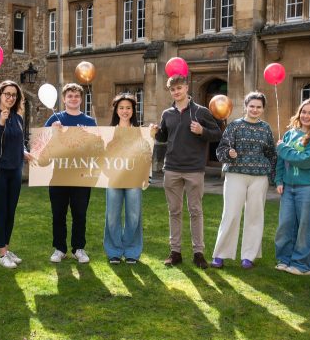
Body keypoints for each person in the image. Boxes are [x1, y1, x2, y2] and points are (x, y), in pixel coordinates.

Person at [153, 74, 222, 269]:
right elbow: (163, 136)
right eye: (173, 89)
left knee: (195, 211)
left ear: (186, 87)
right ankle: (175, 252)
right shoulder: (167, 114)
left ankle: (198, 253)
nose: (176, 92)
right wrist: (155, 131)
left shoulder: (201, 112)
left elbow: (217, 133)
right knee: (174, 211)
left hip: (194, 169)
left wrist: (202, 131)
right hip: (172, 168)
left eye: (179, 88)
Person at [211, 92, 277, 269]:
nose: (255, 109)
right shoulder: (234, 126)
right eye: (252, 106)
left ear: (263, 109)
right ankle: (220, 254)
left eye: (259, 107)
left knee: (255, 216)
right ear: (246, 107)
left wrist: (272, 176)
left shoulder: (266, 128)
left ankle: (249, 255)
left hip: (259, 177)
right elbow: (220, 150)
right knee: (231, 214)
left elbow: (271, 154)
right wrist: (228, 154)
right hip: (235, 174)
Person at [274, 98, 310, 276]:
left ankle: (303, 265)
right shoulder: (291, 134)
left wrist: (283, 149)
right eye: (303, 112)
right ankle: (285, 259)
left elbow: (305, 160)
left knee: (306, 226)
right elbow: (281, 162)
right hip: (289, 187)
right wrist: (279, 180)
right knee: (285, 225)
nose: (305, 116)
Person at [44, 83, 97, 264]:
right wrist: (53, 132)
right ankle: (59, 248)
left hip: (81, 176)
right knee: (58, 214)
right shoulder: (54, 119)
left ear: (81, 99)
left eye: (76, 96)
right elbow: (42, 145)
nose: (73, 99)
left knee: (79, 214)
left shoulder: (90, 122)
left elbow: (96, 149)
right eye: (70, 96)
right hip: (59, 175)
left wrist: (90, 137)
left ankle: (78, 248)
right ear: (64, 99)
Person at [0, 80, 30, 269]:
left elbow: (18, 142)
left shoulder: (18, 118)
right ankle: (2, 254)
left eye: (14, 95)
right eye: (7, 94)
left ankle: (7, 248)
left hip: (15, 169)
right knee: (1, 212)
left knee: (11, 212)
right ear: (0, 95)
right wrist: (1, 123)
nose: (11, 98)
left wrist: (24, 152)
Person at [103, 93, 146, 264]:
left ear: (133, 110)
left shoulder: (140, 132)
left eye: (128, 108)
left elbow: (146, 154)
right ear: (116, 110)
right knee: (112, 215)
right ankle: (114, 251)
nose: (125, 111)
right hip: (114, 178)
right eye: (121, 108)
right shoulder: (108, 133)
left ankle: (131, 251)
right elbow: (102, 154)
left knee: (134, 215)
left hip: (134, 179)